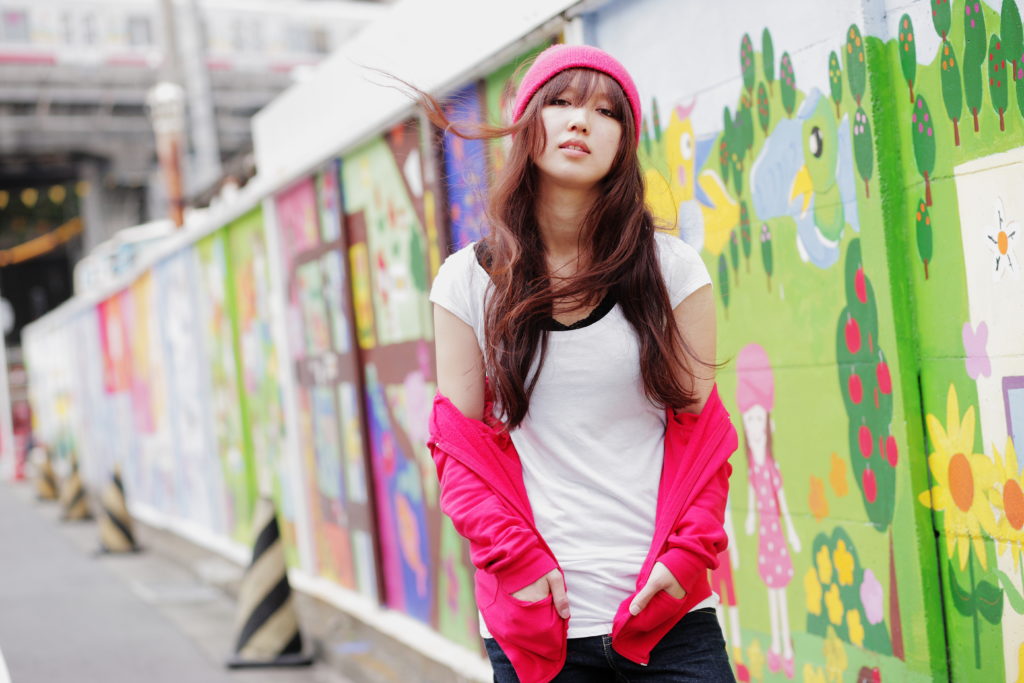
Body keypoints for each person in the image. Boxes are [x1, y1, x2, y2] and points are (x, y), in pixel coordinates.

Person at [424, 44, 739, 682]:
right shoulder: (467, 280)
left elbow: (705, 436)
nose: (580, 121)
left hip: (667, 616)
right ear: (527, 123)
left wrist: (687, 556)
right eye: (561, 102)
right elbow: (458, 447)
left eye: (605, 111)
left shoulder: (672, 270)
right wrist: (517, 563)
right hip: (540, 619)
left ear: (624, 142)